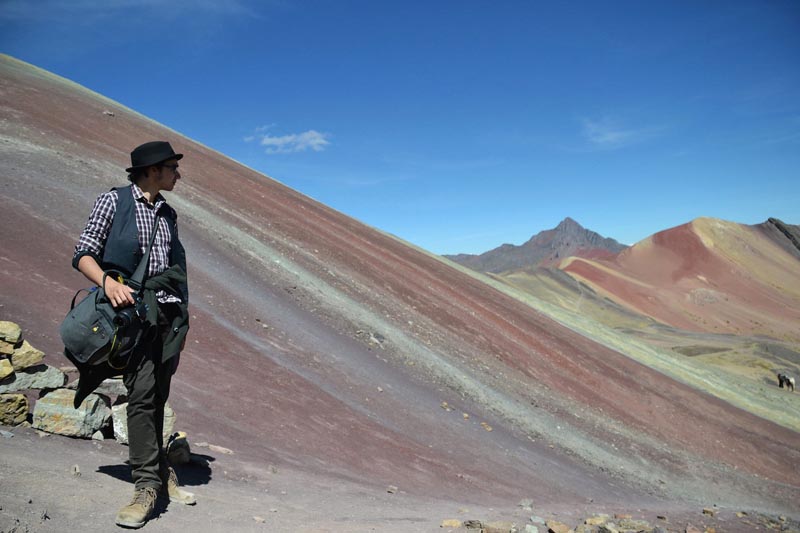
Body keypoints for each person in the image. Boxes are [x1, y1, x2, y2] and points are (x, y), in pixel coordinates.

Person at [72, 141, 195, 529]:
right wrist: (107, 283)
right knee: (141, 396)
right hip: (130, 317)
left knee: (158, 394)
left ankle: (160, 472)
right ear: (153, 169)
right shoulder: (114, 201)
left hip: (167, 317)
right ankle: (146, 487)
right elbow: (83, 252)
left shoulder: (167, 212)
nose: (178, 174)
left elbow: (174, 266)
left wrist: (180, 311)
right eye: (173, 167)